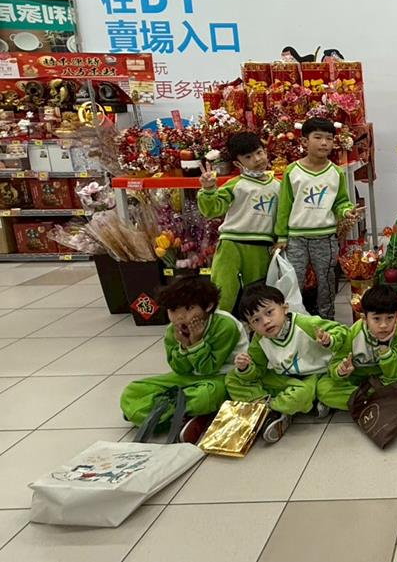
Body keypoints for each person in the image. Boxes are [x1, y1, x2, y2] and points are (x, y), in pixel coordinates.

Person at [119, 276, 248, 443]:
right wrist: (184, 345)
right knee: (132, 391)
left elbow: (208, 369)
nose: (179, 317)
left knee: (205, 396)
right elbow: (179, 369)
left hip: (222, 378)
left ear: (208, 306)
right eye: (173, 310)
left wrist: (196, 343)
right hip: (189, 377)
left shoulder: (225, 325)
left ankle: (158, 413)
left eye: (188, 309)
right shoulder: (173, 330)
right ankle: (182, 413)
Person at [226, 284, 347, 443]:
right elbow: (258, 370)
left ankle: (274, 409)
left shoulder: (305, 324)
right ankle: (270, 406)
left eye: (269, 312)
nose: (266, 322)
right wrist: (246, 368)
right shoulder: (259, 339)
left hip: (314, 376)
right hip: (285, 377)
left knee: (301, 394)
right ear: (250, 326)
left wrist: (329, 339)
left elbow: (342, 330)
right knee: (233, 378)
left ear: (284, 308)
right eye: (256, 320)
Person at [274, 117, 359, 320]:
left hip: (325, 237)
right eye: (318, 137)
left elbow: (341, 201)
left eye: (329, 139)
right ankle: (294, 320)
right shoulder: (292, 171)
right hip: (296, 238)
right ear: (304, 141)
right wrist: (281, 236)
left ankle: (327, 320)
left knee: (327, 280)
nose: (324, 143)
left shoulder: (336, 172)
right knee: (294, 280)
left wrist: (346, 211)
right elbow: (284, 206)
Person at [198, 132, 280, 312]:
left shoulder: (278, 186)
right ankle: (220, 324)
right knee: (223, 291)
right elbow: (212, 210)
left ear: (265, 152)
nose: (257, 159)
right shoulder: (235, 184)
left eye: (259, 152)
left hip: (261, 247)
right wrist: (209, 189)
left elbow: (283, 218)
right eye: (248, 157)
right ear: (237, 163)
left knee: (257, 296)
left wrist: (281, 239)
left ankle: (253, 327)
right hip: (231, 244)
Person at [317, 283, 397, 411]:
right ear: (365, 318)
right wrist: (341, 371)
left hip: (383, 379)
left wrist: (384, 348)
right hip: (356, 379)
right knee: (324, 388)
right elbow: (335, 364)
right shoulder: (354, 333)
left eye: (390, 318)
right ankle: (377, 402)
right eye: (376, 319)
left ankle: (361, 403)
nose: (383, 325)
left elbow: (396, 372)